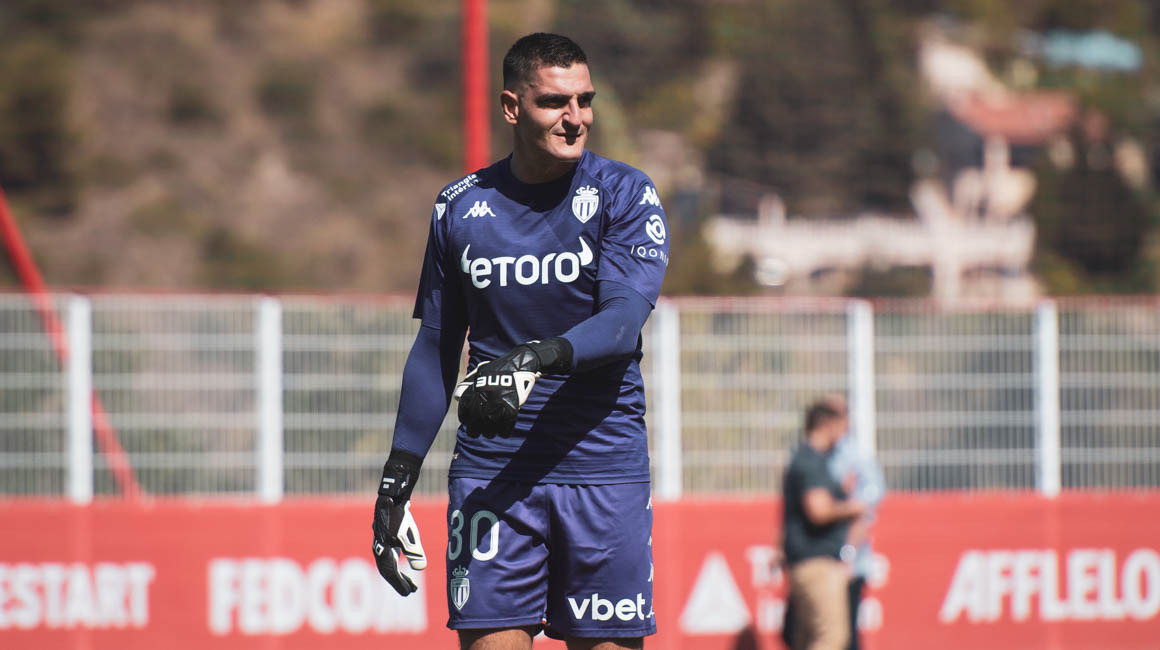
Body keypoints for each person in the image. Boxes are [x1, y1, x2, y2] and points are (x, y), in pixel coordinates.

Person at [371, 32, 670, 650]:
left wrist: (535, 359)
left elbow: (621, 322)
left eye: (585, 101)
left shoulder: (624, 193)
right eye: (555, 102)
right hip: (492, 475)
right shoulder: (458, 207)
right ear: (512, 107)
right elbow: (434, 349)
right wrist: (397, 479)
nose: (576, 118)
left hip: (601, 472)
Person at [780, 395, 865, 650]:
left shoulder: (810, 459)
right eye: (843, 422)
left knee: (806, 640)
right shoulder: (811, 461)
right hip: (817, 563)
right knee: (832, 636)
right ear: (827, 423)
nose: (846, 430)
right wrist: (852, 508)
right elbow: (818, 510)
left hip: (809, 562)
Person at [827, 423, 885, 650]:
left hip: (850, 563)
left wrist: (847, 555)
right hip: (824, 560)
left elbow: (866, 506)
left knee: (846, 633)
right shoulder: (817, 456)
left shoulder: (854, 457)